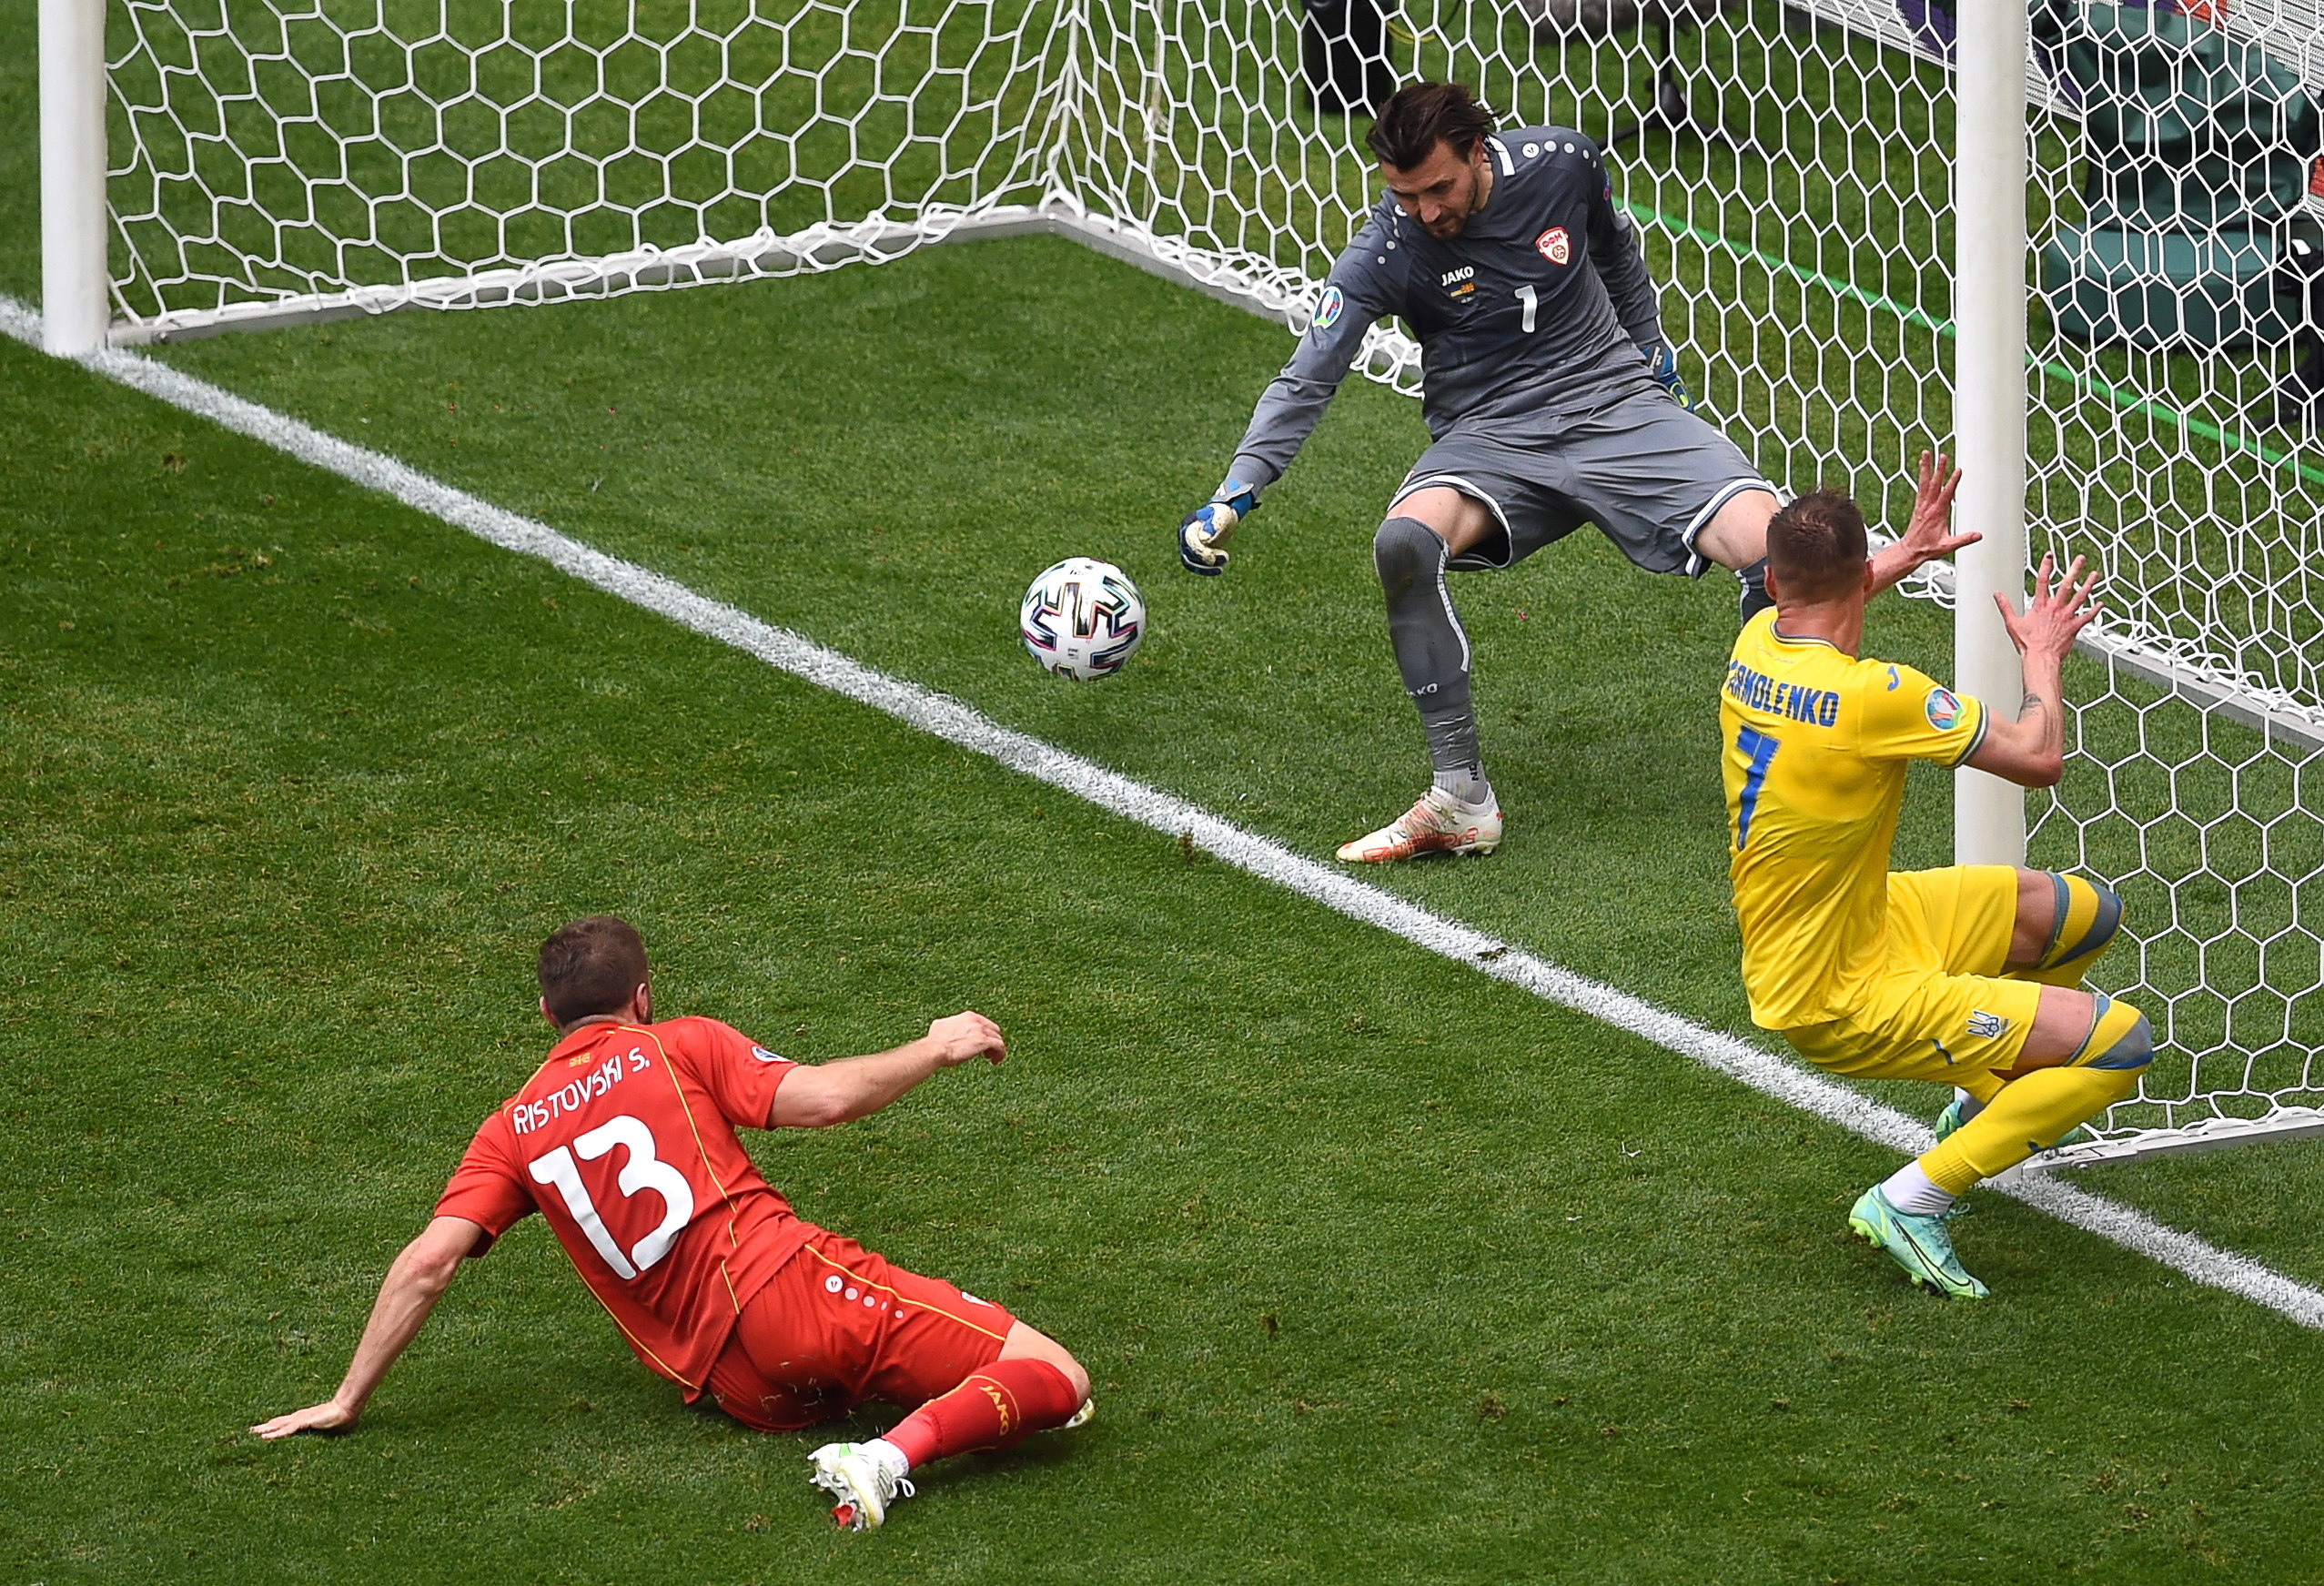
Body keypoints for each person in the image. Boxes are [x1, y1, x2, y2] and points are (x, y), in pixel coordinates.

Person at [251, 915, 1091, 1530]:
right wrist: (933, 1045)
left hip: (739, 1388)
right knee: (1057, 1376)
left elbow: (429, 1262)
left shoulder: (510, 1128)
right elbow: (827, 1098)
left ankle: (901, 1409)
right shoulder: (676, 1043)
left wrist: (346, 1396)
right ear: (642, 998)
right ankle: (880, 1459)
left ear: (548, 1018)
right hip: (791, 1295)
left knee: (959, 1362)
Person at [1178, 78, 1781, 864]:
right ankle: (1461, 798)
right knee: (1402, 542)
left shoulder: (1563, 162)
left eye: (1438, 188)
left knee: (1776, 546)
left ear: (1476, 151)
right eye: (1404, 195)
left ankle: (1779, 783)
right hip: (1490, 439)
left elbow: (1616, 252)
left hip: (1613, 403)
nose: (1426, 212)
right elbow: (1310, 374)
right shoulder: (1386, 249)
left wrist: (1652, 350)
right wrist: (1237, 488)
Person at [1722, 457, 2148, 1298]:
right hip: (1838, 994)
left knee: (2077, 914)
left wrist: (1908, 552)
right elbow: (2039, 757)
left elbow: (1829, 600)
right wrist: (2041, 656)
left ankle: (1990, 1096)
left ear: (1772, 581)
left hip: (1862, 921)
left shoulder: (1753, 642)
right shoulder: (1880, 696)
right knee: (2119, 1042)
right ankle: (1913, 1198)